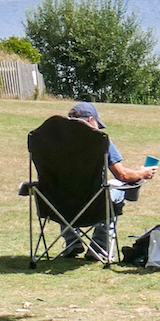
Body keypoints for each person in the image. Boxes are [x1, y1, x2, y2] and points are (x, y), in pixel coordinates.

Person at [59, 101, 154, 259]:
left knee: (61, 189)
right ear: (90, 120)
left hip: (57, 203)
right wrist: (142, 173)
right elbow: (122, 175)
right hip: (93, 204)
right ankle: (99, 246)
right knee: (113, 192)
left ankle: (72, 241)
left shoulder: (51, 143)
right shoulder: (100, 140)